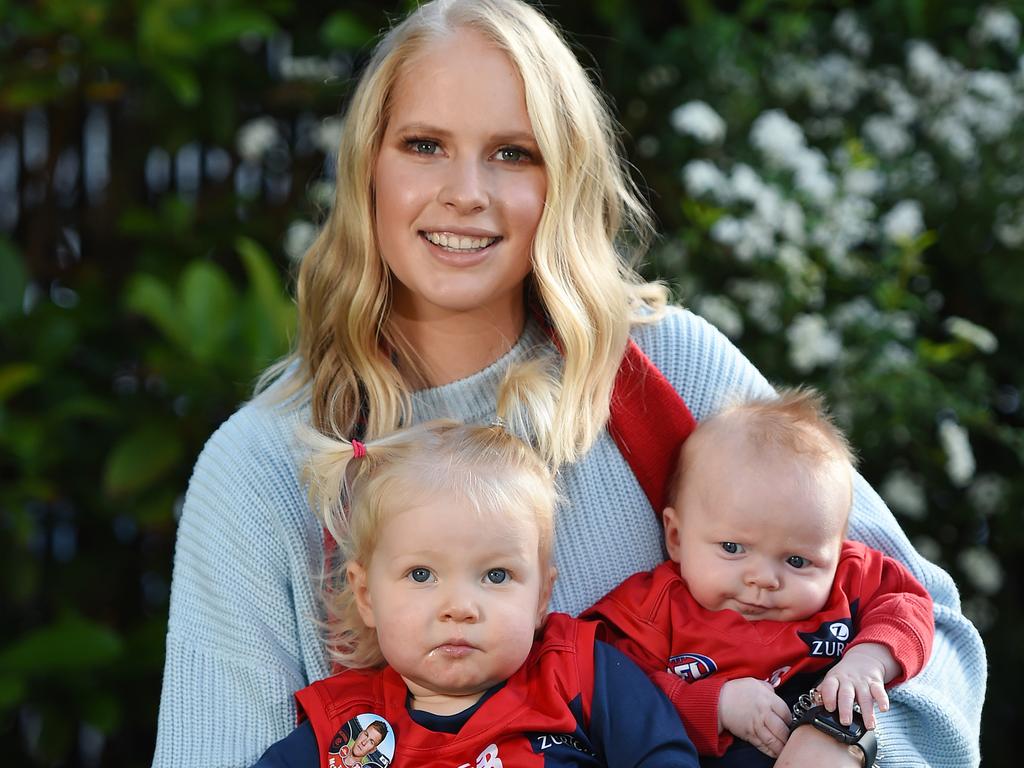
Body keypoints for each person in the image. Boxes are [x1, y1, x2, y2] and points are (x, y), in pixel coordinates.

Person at [152, 1, 986, 766]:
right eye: (424, 145)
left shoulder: (668, 369)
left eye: (513, 154)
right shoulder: (266, 468)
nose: (465, 194)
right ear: (367, 166)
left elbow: (930, 632)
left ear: (566, 179)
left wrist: (845, 739)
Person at [250, 420, 701, 767]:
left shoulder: (575, 673)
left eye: (497, 576)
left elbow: (663, 755)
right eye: (422, 575)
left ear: (542, 597)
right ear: (367, 595)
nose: (460, 608)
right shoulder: (347, 726)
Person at [584, 388, 936, 767]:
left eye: (798, 561)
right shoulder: (652, 610)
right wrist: (714, 703)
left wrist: (869, 660)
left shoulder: (848, 576)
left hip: (821, 735)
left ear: (836, 550)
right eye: (733, 548)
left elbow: (911, 605)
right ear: (676, 538)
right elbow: (609, 690)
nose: (764, 579)